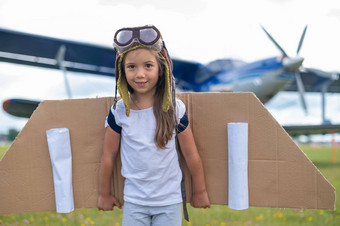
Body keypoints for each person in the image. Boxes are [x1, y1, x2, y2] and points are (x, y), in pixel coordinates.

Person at [97, 25, 210, 226]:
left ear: (161, 69)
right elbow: (108, 155)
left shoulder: (175, 109)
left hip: (169, 202)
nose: (140, 74)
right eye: (132, 67)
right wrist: (103, 194)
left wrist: (200, 191)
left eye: (148, 66)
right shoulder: (119, 111)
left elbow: (191, 155)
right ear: (122, 72)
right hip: (134, 202)